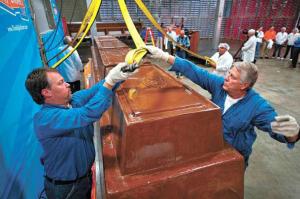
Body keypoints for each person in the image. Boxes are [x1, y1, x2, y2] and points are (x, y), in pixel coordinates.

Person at [145, 45, 300, 167]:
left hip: (233, 156)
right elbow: (196, 71)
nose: (226, 78)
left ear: (243, 85)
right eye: (229, 73)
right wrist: (164, 56)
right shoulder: (220, 86)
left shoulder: (258, 106)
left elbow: (276, 127)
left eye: (232, 77)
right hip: (210, 146)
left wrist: (292, 132)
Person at [25, 63, 136, 199]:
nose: (67, 84)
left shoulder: (72, 101)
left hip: (84, 179)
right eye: (61, 83)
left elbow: (97, 89)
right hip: (66, 188)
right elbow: (88, 113)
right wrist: (110, 81)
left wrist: (121, 76)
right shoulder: (45, 119)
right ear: (46, 92)